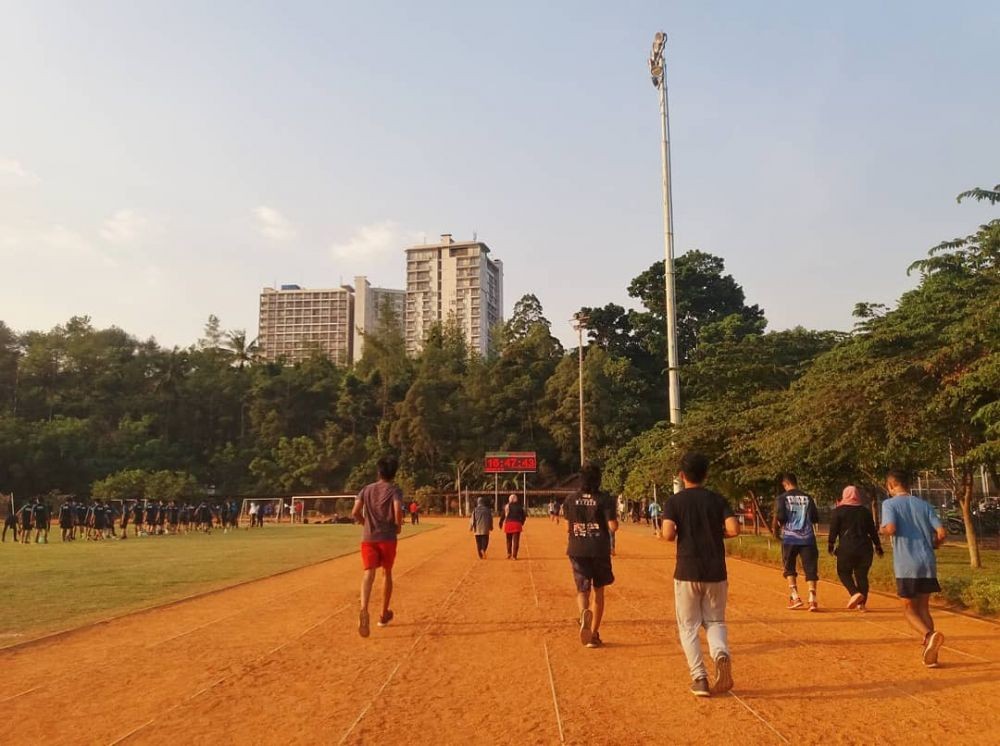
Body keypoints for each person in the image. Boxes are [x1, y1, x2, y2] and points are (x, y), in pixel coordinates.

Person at [663, 452, 740, 698]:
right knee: (715, 621)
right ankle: (720, 654)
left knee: (688, 627)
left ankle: (700, 678)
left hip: (687, 570)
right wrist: (718, 535)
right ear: (706, 474)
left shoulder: (674, 502)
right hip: (716, 570)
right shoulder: (717, 500)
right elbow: (733, 529)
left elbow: (667, 534)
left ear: (681, 475)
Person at [880, 469, 947, 668]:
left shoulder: (889, 504)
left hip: (906, 564)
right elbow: (941, 532)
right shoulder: (923, 504)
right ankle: (930, 653)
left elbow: (891, 528)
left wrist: (881, 529)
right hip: (927, 561)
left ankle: (929, 636)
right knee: (924, 608)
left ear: (891, 485)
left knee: (909, 609)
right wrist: (934, 544)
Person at [564, 462, 618, 648]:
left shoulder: (570, 499)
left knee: (582, 590)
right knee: (599, 591)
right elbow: (612, 527)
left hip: (577, 548)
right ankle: (593, 634)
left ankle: (583, 614)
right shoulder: (605, 499)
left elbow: (567, 527)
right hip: (599, 549)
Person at [352, 454, 404, 637]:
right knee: (386, 573)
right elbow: (397, 510)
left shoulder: (366, 489)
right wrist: (397, 526)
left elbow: (355, 512)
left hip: (368, 537)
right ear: (394, 473)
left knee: (368, 573)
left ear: (378, 471)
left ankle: (364, 608)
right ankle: (383, 615)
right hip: (387, 537)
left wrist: (365, 523)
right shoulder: (394, 490)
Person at [828, 485, 883, 611]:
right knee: (862, 575)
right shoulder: (865, 511)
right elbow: (872, 531)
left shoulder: (838, 511)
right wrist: (878, 546)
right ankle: (862, 604)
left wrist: (831, 545)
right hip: (865, 548)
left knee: (843, 572)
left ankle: (854, 593)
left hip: (847, 547)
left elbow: (833, 531)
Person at [773, 473, 820, 611]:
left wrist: (779, 527)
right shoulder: (808, 497)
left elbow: (780, 516)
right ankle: (812, 599)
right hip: (808, 538)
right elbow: (815, 518)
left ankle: (795, 597)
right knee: (810, 568)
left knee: (789, 567)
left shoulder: (782, 498)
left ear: (785, 484)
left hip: (790, 538)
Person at [500, 494, 526, 560]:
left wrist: (500, 523)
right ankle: (514, 556)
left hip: (508, 524)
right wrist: (522, 522)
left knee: (508, 540)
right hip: (517, 524)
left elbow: (503, 515)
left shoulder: (507, 506)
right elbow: (524, 516)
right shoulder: (520, 507)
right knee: (516, 541)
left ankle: (509, 554)